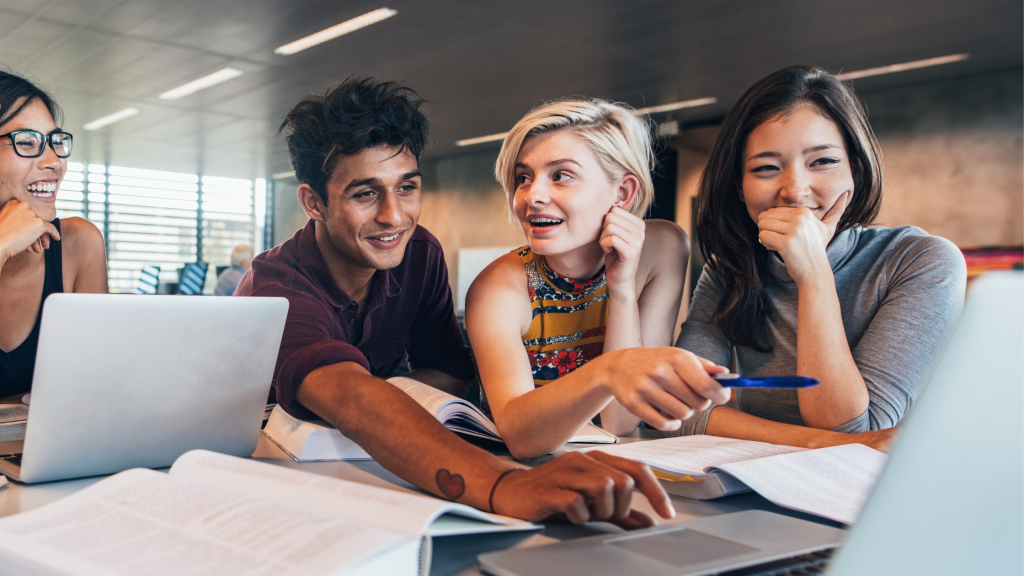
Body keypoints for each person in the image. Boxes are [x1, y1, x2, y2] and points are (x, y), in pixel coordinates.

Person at [235, 78, 676, 527]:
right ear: (313, 203)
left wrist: (383, 401)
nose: (394, 216)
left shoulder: (417, 254)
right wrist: (505, 485)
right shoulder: (278, 285)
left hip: (363, 466)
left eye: (407, 187)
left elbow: (448, 373)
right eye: (365, 194)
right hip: (262, 476)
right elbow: (348, 396)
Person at [673, 65, 967, 452]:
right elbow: (682, 409)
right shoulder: (730, 267)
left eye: (822, 161)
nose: (795, 191)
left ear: (855, 170)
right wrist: (815, 442)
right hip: (760, 477)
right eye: (766, 168)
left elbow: (852, 427)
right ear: (739, 188)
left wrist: (813, 274)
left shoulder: (922, 261)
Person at [466, 99, 730, 460]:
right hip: (517, 467)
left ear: (622, 193)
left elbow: (622, 420)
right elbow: (520, 437)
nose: (532, 196)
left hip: (609, 459)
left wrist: (621, 289)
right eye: (523, 178)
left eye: (561, 175)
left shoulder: (662, 248)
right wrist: (609, 371)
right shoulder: (498, 287)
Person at [0, 71, 107, 400]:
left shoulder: (78, 243)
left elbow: (95, 390)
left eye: (55, 142)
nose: (55, 162)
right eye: (27, 142)